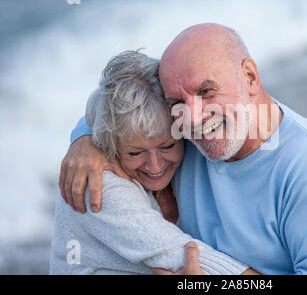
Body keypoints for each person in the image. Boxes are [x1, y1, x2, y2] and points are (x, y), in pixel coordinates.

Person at [61, 23, 307, 274]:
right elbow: (126, 101)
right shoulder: (180, 134)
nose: (195, 116)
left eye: (207, 91)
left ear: (250, 76)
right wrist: (85, 137)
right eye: (177, 102)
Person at [50, 50, 256, 275]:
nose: (155, 166)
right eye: (135, 153)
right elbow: (201, 263)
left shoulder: (190, 141)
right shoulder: (101, 187)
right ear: (111, 145)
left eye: (167, 146)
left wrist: (83, 134)